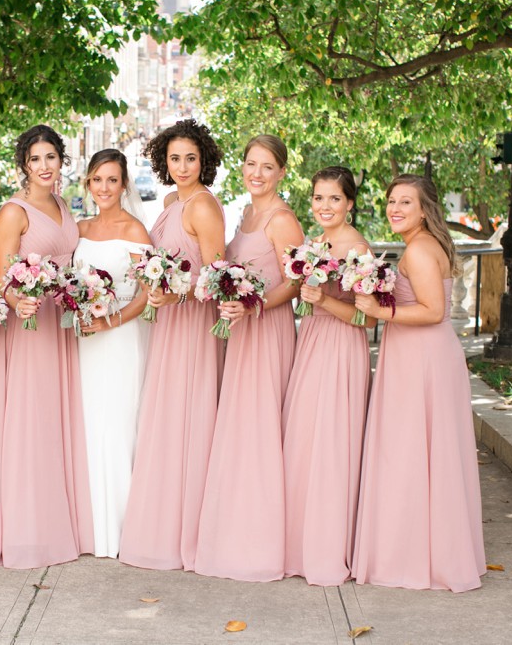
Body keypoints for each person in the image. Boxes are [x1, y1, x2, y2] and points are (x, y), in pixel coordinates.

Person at [352, 174, 486, 592]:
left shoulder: (422, 251)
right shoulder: (423, 246)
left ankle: (410, 557)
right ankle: (430, 552)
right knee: (426, 453)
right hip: (423, 355)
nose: (394, 208)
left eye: (405, 203)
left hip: (421, 358)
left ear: (425, 209)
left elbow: (432, 311)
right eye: (392, 201)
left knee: (410, 452)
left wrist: (379, 308)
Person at [0, 125, 94, 568]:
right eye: (35, 159)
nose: (44, 166)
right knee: (28, 420)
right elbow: (3, 275)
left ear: (62, 161)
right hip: (28, 327)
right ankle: (25, 532)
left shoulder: (63, 204)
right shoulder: (13, 212)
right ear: (24, 164)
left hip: (59, 323)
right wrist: (18, 298)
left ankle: (61, 521)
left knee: (55, 419)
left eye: (51, 158)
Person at [193, 134, 304, 582]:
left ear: (281, 173)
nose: (256, 174)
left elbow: (296, 281)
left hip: (268, 331)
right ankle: (233, 529)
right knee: (239, 427)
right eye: (250, 164)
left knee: (260, 429)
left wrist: (254, 304)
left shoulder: (282, 219)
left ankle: (260, 540)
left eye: (267, 167)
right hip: (241, 333)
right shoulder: (245, 214)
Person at [118, 119, 226, 572]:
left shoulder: (203, 206)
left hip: (194, 325)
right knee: (164, 417)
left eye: (191, 158)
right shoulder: (168, 201)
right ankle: (162, 520)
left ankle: (190, 527)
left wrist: (178, 289)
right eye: (174, 158)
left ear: (205, 161)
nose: (182, 166)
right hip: (168, 323)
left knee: (189, 416)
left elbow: (220, 276)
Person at [282, 166, 373, 586]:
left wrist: (321, 301)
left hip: (340, 346)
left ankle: (327, 547)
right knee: (302, 438)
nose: (324, 206)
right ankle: (298, 545)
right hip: (313, 341)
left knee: (331, 441)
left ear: (349, 203)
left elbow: (366, 319)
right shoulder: (314, 243)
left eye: (334, 199)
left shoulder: (358, 248)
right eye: (319, 198)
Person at [73, 149, 152, 558]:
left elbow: (147, 292)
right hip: (84, 342)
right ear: (87, 183)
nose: (104, 188)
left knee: (119, 428)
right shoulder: (80, 228)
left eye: (112, 180)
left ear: (124, 185)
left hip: (119, 338)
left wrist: (110, 321)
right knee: (87, 427)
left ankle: (122, 531)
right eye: (97, 180)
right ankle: (90, 530)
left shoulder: (136, 231)